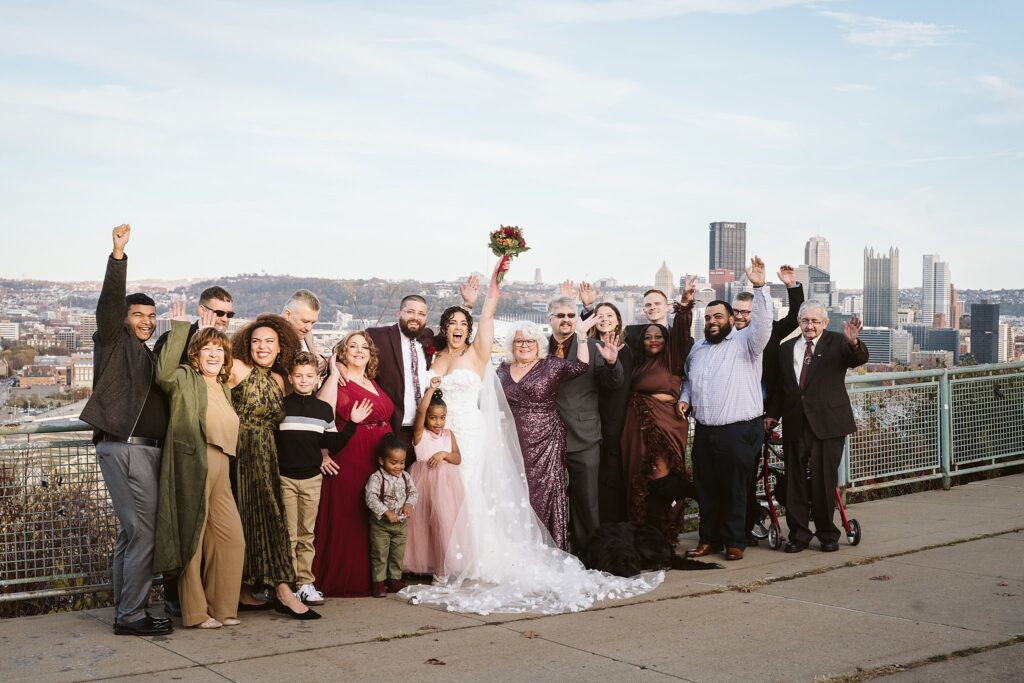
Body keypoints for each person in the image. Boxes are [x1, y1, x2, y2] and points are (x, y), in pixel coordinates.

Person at [400, 258, 662, 615]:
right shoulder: (437, 354)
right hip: (441, 434)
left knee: (472, 496)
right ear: (444, 328)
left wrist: (496, 280)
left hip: (474, 436)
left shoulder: (478, 353)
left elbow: (491, 320)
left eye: (464, 323)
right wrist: (464, 305)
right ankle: (443, 559)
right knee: (442, 498)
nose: (459, 328)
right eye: (453, 323)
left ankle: (471, 559)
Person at [81, 224, 173, 636]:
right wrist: (118, 255)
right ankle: (131, 616)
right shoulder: (114, 344)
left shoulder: (147, 356)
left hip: (143, 451)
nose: (147, 322)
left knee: (129, 532)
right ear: (122, 320)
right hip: (126, 448)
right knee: (144, 534)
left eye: (152, 317)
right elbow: (110, 301)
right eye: (138, 316)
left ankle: (125, 606)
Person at [154, 304, 245, 629]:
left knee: (231, 539)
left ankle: (223, 608)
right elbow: (162, 373)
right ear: (195, 354)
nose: (213, 354)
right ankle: (195, 613)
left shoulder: (222, 387)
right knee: (192, 536)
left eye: (219, 349)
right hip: (195, 462)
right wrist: (180, 327)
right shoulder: (184, 378)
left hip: (222, 465)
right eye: (206, 349)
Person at [678, 257, 772, 562]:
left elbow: (764, 325)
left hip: (739, 430)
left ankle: (735, 541)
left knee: (734, 488)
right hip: (705, 430)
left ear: (731, 319)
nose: (712, 321)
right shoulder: (699, 348)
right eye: (708, 318)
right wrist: (685, 398)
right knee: (706, 487)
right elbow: (691, 380)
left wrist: (759, 287)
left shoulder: (747, 342)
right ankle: (709, 539)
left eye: (718, 316)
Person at [229, 314, 319, 619]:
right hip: (240, 455)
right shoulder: (238, 368)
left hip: (269, 455)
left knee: (272, 522)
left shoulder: (281, 379)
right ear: (247, 345)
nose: (262, 346)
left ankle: (278, 589)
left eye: (269, 341)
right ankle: (256, 591)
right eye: (256, 341)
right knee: (245, 521)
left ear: (281, 347)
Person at [765, 304, 867, 553]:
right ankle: (799, 536)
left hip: (828, 424)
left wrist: (854, 342)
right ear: (799, 322)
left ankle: (827, 534)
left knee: (824, 481)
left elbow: (857, 359)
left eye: (814, 321)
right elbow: (781, 387)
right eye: (805, 320)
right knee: (794, 482)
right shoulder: (786, 348)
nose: (809, 325)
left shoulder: (838, 342)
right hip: (795, 422)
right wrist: (772, 415)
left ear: (825, 322)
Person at [276, 351, 364, 606]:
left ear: (317, 379)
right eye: (299, 376)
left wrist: (353, 424)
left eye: (309, 376)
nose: (304, 380)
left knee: (307, 533)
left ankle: (305, 583)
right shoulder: (281, 406)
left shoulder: (324, 410)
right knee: (289, 534)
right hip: (285, 478)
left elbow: (331, 443)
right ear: (291, 378)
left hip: (312, 479)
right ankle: (288, 585)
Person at [497, 320, 592, 550]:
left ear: (538, 343)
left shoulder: (551, 365)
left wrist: (581, 336)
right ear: (512, 344)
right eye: (519, 340)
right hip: (512, 440)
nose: (524, 345)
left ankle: (545, 547)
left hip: (545, 439)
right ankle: (518, 547)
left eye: (530, 340)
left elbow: (581, 366)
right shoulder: (501, 369)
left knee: (542, 492)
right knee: (515, 491)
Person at [313, 331, 392, 597]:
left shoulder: (372, 380)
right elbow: (321, 415)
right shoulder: (339, 379)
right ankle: (346, 579)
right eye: (352, 346)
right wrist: (323, 453)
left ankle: (378, 578)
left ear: (371, 353)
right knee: (351, 515)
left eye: (364, 347)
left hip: (378, 455)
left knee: (374, 516)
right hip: (350, 454)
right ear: (343, 352)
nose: (359, 351)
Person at [620, 277, 696, 545]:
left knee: (662, 475)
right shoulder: (639, 361)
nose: (653, 340)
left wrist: (685, 305)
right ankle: (652, 533)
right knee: (641, 477)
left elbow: (681, 332)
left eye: (658, 337)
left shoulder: (672, 356)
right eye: (648, 337)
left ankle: (698, 493)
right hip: (636, 423)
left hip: (666, 420)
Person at [545, 297, 622, 549]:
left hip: (584, 435)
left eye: (570, 315)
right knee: (547, 500)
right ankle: (553, 550)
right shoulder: (535, 347)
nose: (566, 319)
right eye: (560, 315)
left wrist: (612, 363)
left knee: (587, 501)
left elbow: (612, 383)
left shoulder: (594, 345)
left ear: (576, 320)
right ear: (550, 320)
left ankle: (589, 552)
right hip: (546, 439)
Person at [733, 267, 803, 546]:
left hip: (761, 415)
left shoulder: (771, 333)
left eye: (746, 312)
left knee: (750, 473)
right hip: (732, 414)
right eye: (736, 312)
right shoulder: (728, 336)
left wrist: (791, 285)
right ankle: (738, 525)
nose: (740, 317)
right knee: (738, 474)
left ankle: (747, 526)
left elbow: (796, 315)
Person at [363, 281, 480, 447]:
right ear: (399, 313)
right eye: (410, 312)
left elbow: (452, 334)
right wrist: (336, 366)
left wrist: (467, 305)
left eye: (421, 314)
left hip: (425, 430)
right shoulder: (378, 336)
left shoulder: (427, 336)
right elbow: (349, 348)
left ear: (426, 317)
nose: (415, 318)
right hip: (393, 429)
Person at [403, 377, 466, 583]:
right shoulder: (420, 434)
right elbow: (421, 411)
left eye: (442, 418)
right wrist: (431, 389)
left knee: (443, 524)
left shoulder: (449, 434)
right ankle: (425, 564)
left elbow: (457, 458)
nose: (438, 422)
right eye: (433, 418)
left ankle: (441, 568)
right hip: (422, 483)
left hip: (446, 487)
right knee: (421, 526)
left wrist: (443, 454)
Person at [588, 302, 631, 524]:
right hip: (593, 420)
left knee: (612, 477)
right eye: (599, 315)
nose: (604, 318)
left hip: (615, 421)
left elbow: (617, 387)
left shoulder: (625, 349)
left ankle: (614, 527)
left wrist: (612, 362)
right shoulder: (590, 346)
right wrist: (587, 307)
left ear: (618, 320)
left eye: (610, 315)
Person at [365, 434, 419, 597]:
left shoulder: (405, 477)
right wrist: (386, 512)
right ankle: (379, 582)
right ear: (382, 461)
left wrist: (409, 504)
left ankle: (394, 579)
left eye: (402, 462)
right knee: (380, 554)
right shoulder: (376, 477)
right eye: (393, 462)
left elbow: (413, 492)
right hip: (381, 525)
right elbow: (370, 497)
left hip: (401, 524)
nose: (398, 466)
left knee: (397, 553)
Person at [282, 290, 322, 357]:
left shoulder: (304, 334)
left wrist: (321, 362)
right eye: (305, 321)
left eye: (313, 323)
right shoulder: (271, 340)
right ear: (287, 315)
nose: (309, 328)